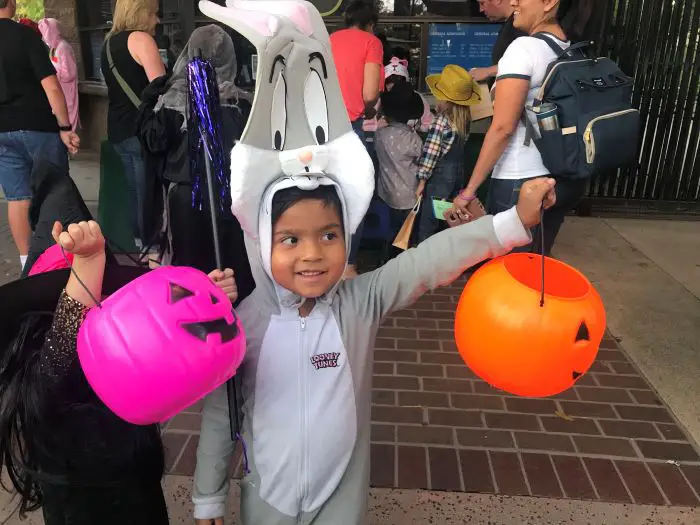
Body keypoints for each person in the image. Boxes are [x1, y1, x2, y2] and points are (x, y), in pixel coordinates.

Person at [192, 174, 556, 524]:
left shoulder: (361, 301)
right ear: (259, 243)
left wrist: (514, 221)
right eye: (290, 239)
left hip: (341, 501)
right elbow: (221, 415)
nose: (312, 254)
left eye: (329, 235)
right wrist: (208, 495)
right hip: (266, 500)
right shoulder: (240, 325)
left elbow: (427, 261)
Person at [0, 216, 240, 524]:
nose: (99, 312)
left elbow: (173, 329)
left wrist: (206, 298)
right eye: (82, 303)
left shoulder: (123, 354)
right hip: (82, 510)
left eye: (106, 300)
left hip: (139, 489)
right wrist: (87, 263)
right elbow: (62, 349)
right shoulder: (43, 380)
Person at [450, 0, 596, 255]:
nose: (513, 2)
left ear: (549, 3)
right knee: (536, 264)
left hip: (520, 179)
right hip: (561, 178)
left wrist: (468, 191)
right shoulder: (568, 49)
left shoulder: (523, 48)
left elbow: (503, 128)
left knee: (510, 271)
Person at [138, 24, 256, 304]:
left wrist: (149, 100)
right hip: (233, 197)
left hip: (185, 198)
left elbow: (153, 142)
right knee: (233, 264)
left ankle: (195, 321)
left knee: (190, 270)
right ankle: (231, 318)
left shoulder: (173, 100)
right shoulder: (244, 103)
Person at [0, 0, 80, 272]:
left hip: (2, 131)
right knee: (55, 191)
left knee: (17, 198)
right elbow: (52, 87)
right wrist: (65, 127)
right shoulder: (25, 36)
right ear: (9, 3)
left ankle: (28, 263)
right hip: (38, 127)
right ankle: (59, 257)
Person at [101, 0, 166, 251]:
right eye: (154, 14)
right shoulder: (141, 40)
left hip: (117, 129)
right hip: (141, 130)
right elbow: (161, 89)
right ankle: (153, 249)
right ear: (141, 12)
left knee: (134, 191)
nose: (157, 21)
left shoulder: (107, 44)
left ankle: (140, 244)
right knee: (149, 194)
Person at [329, 0, 384, 279]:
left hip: (321, 128)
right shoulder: (371, 42)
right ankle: (348, 264)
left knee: (326, 195)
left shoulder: (329, 40)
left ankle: (326, 258)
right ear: (370, 22)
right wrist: (372, 109)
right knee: (355, 195)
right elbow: (370, 94)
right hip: (350, 128)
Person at [415, 65, 480, 243]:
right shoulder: (464, 121)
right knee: (448, 219)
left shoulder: (441, 121)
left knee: (429, 222)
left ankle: (424, 260)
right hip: (457, 177)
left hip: (439, 180)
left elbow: (431, 154)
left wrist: (421, 181)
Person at [374, 81, 424, 252]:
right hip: (409, 195)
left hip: (386, 193)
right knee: (406, 234)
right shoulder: (413, 139)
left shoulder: (380, 135)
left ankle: (386, 256)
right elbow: (423, 161)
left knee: (389, 230)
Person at [470, 0, 527, 87]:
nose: (480, 9)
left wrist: (488, 71)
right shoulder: (510, 24)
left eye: (482, 3)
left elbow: (525, 61)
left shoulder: (519, 25)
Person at [39, 18, 80, 132]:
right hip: (60, 89)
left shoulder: (63, 48)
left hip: (67, 90)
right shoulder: (54, 48)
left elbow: (70, 73)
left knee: (68, 119)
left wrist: (53, 73)